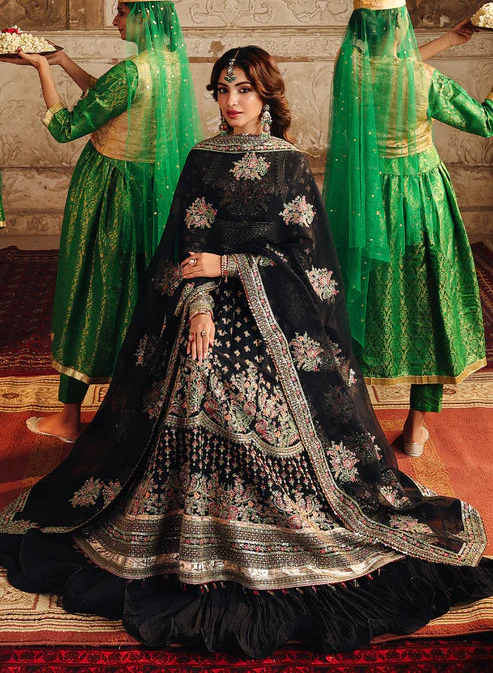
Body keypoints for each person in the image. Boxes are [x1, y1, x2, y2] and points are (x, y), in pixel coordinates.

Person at [1, 45, 493, 658]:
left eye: (243, 90)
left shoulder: (288, 164)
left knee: (259, 399)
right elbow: (186, 241)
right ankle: (183, 516)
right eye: (222, 90)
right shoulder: (202, 158)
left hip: (278, 316)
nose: (231, 102)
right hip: (204, 306)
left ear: (266, 96)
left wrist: (230, 264)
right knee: (193, 378)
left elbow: (305, 259)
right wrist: (199, 301)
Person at [4, 0, 202, 442]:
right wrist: (65, 61)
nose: (115, 21)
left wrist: (41, 69)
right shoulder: (170, 66)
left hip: (110, 193)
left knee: (90, 290)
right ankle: (137, 408)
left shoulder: (129, 73)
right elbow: (111, 97)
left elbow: (67, 127)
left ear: (144, 17)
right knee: (139, 292)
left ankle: (69, 417)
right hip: (151, 191)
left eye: (121, 12)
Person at [324, 0, 493, 456]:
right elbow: (485, 122)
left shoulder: (349, 72)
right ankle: (416, 429)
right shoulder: (425, 80)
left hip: (366, 206)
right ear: (399, 24)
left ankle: (357, 420)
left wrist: (449, 40)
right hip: (421, 203)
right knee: (430, 306)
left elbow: (388, 69)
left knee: (365, 303)